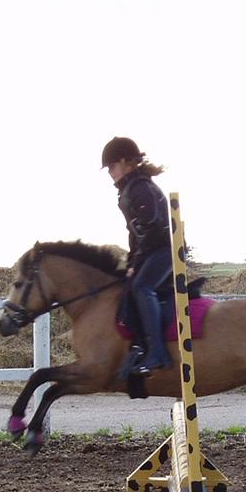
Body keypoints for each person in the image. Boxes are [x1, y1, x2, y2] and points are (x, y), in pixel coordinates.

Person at [101, 136, 173, 377]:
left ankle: (158, 353)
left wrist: (137, 264)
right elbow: (135, 234)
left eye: (111, 167)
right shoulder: (131, 189)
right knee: (129, 287)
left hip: (163, 251)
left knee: (142, 288)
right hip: (152, 250)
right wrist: (132, 263)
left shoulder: (141, 188)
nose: (110, 173)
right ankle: (141, 345)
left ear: (125, 162)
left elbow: (150, 230)